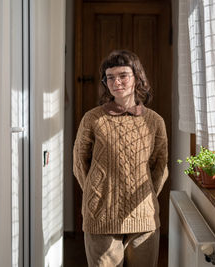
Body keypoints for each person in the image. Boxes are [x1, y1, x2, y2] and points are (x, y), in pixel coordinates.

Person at [73, 50, 168, 267]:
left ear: (137, 78)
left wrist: (147, 197)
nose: (117, 82)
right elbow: (80, 163)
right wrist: (96, 194)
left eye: (123, 75)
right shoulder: (93, 119)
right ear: (105, 83)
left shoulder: (155, 122)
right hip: (101, 217)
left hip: (143, 217)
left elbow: (160, 166)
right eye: (110, 77)